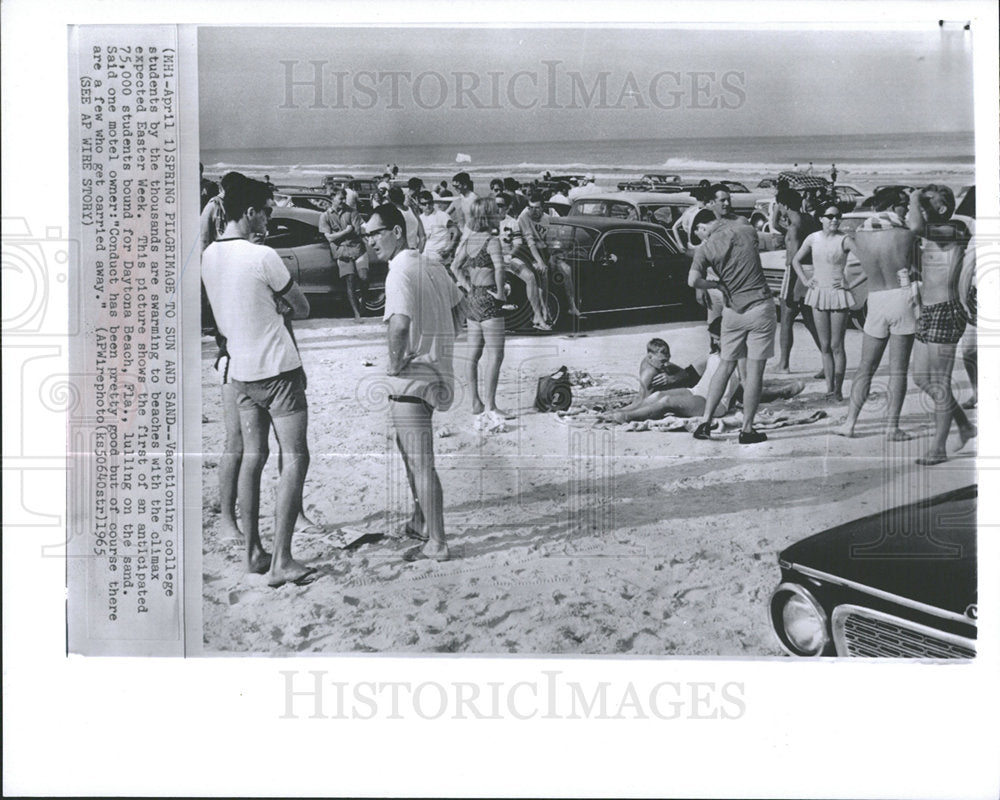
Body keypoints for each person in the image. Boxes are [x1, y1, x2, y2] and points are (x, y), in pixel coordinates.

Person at [201, 176, 315, 587]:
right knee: (297, 457)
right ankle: (283, 558)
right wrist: (279, 303)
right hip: (278, 370)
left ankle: (253, 552)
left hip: (240, 372)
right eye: (265, 211)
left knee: (253, 458)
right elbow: (301, 308)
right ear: (249, 213)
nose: (268, 218)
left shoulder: (210, 255)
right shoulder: (262, 255)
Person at [363, 203, 464, 562]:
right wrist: (442, 344)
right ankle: (421, 522)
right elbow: (458, 307)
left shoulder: (398, 271)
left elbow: (400, 324)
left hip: (413, 377)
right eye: (367, 234)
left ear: (396, 231)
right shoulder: (431, 264)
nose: (370, 240)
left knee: (420, 462)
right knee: (412, 456)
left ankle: (436, 541)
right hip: (438, 372)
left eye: (375, 233)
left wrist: (395, 363)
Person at [688, 185, 776, 444]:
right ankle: (747, 429)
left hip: (732, 310)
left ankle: (705, 423)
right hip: (760, 305)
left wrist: (716, 285)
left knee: (725, 365)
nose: (726, 203)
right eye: (724, 200)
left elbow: (693, 281)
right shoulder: (746, 228)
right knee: (755, 372)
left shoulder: (706, 248)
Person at [835, 188, 920, 440]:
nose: (905, 210)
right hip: (900, 296)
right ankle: (892, 428)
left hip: (875, 299)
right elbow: (918, 226)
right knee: (898, 370)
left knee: (865, 367)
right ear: (895, 206)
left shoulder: (860, 235)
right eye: (903, 205)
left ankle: (849, 423)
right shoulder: (904, 233)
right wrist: (915, 198)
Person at [906, 185, 977, 464]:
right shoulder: (934, 229)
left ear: (944, 207)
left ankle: (938, 449)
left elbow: (914, 228)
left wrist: (913, 199)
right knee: (922, 379)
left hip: (946, 311)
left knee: (940, 382)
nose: (922, 208)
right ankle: (965, 426)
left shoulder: (956, 228)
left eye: (928, 204)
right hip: (929, 310)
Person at [451, 196, 512, 428]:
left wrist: (467, 287)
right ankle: (491, 405)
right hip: (489, 298)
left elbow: (455, 267)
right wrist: (501, 294)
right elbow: (500, 269)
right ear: (489, 215)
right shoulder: (492, 241)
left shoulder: (468, 240)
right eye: (495, 211)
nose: (498, 213)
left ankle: (475, 403)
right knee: (496, 355)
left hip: (473, 298)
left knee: (473, 355)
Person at [792, 204, 864, 400]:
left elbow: (869, 263)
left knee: (836, 345)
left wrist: (850, 284)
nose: (834, 220)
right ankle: (829, 390)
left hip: (838, 295)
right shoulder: (813, 238)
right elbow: (795, 260)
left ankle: (838, 391)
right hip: (818, 294)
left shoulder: (845, 240)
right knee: (824, 345)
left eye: (837, 216)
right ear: (820, 218)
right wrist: (806, 281)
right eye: (830, 216)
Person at [772, 187, 822, 373]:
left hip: (795, 274)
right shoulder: (809, 220)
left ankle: (783, 364)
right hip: (812, 271)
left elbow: (793, 259)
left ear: (784, 205)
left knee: (786, 317)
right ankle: (827, 359)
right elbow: (778, 227)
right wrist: (778, 212)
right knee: (809, 319)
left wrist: (777, 209)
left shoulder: (794, 227)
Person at [516, 189, 582, 318]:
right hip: (527, 252)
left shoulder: (547, 219)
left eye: (536, 208)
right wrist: (540, 261)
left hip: (544, 251)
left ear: (543, 208)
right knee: (543, 272)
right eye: (530, 208)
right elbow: (530, 242)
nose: (533, 211)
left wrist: (553, 255)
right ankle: (544, 307)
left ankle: (572, 306)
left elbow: (550, 239)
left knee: (566, 269)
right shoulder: (523, 217)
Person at [497, 194, 550, 330]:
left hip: (508, 257)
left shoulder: (512, 223)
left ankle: (537, 316)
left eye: (500, 205)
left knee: (531, 277)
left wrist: (509, 255)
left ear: (507, 207)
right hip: (491, 258)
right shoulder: (486, 221)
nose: (497, 208)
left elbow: (518, 244)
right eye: (495, 205)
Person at [320, 189, 368, 322]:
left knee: (364, 277)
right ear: (332, 198)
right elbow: (329, 238)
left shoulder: (352, 212)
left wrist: (338, 235)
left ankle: (363, 303)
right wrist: (346, 231)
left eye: (344, 198)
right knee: (350, 280)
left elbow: (357, 231)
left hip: (358, 249)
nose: (343, 201)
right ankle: (356, 314)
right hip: (342, 252)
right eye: (340, 198)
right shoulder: (325, 216)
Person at [418, 189, 459, 264]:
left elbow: (456, 232)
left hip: (439, 256)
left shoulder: (442, 216)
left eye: (430, 203)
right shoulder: (420, 218)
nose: (428, 206)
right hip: (425, 255)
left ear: (433, 203)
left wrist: (449, 250)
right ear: (420, 205)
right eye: (424, 204)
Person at [389, 186, 426, 252]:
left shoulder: (393, 213)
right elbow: (422, 237)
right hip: (414, 251)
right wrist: (418, 253)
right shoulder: (412, 210)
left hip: (401, 253)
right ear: (403, 196)